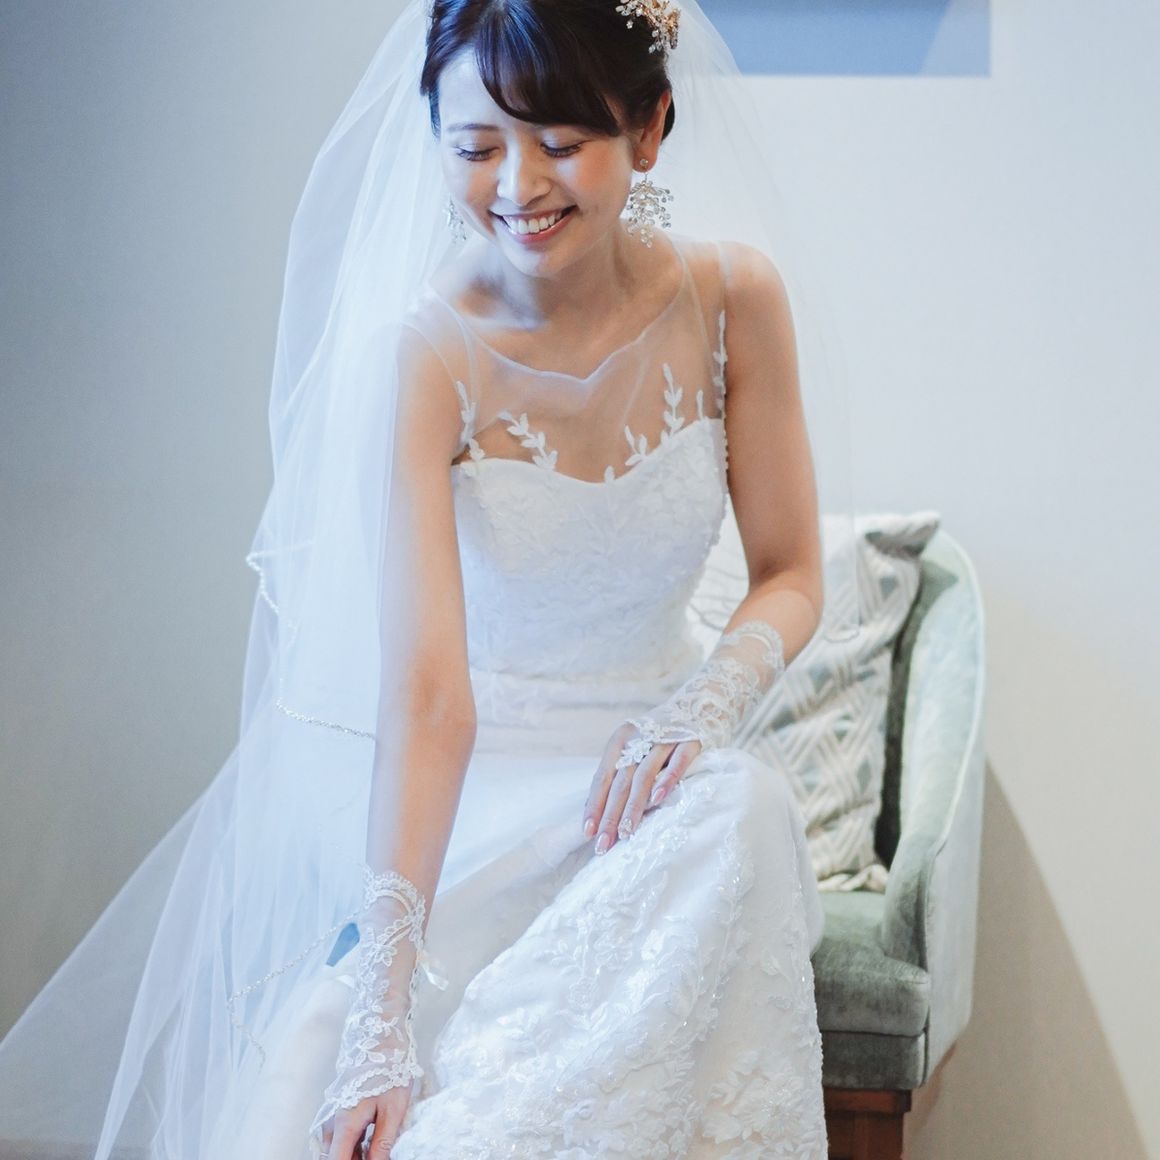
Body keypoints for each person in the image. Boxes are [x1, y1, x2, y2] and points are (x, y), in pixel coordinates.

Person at [0, 0, 862, 1155]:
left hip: (649, 782)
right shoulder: (426, 355)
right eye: (475, 146)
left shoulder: (733, 300)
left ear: (649, 129)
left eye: (559, 141)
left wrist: (699, 708)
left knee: (743, 806)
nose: (517, 184)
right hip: (479, 789)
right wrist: (381, 1005)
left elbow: (790, 571)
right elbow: (425, 695)